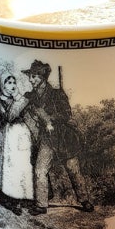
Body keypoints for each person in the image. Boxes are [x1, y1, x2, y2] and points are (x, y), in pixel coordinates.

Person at [22, 60, 93, 214]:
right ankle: (41, 205)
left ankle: (85, 200)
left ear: (42, 78)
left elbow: (67, 114)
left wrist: (49, 118)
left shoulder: (57, 94)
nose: (30, 79)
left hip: (63, 137)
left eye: (34, 77)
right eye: (30, 76)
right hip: (46, 139)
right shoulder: (30, 97)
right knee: (40, 170)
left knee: (73, 170)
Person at [0, 66, 33, 214]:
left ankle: (25, 197)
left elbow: (27, 113)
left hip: (21, 134)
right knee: (9, 166)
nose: (12, 85)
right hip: (8, 135)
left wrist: (18, 99)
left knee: (23, 165)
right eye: (8, 83)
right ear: (2, 85)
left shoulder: (20, 98)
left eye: (13, 82)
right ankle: (11, 198)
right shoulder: (0, 100)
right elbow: (9, 117)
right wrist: (18, 100)